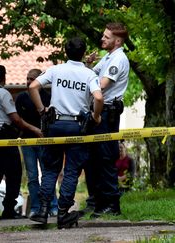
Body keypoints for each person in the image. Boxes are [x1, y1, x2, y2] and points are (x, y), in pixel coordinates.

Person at [29, 37, 103, 229]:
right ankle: (63, 214)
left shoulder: (56, 70)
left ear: (65, 51)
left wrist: (42, 110)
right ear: (84, 53)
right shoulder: (88, 74)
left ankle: (43, 211)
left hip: (54, 125)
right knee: (71, 171)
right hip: (77, 127)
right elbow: (98, 97)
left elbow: (32, 86)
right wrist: (95, 116)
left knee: (50, 169)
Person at [0, 65, 43, 221]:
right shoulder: (3, 93)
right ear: (4, 77)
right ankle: (8, 210)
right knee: (14, 174)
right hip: (5, 137)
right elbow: (15, 119)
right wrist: (34, 129)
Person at [83, 22, 130, 218]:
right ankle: (99, 202)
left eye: (106, 37)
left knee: (105, 157)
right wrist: (88, 65)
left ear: (117, 41)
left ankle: (111, 205)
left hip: (107, 113)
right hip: (100, 111)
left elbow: (100, 85)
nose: (102, 39)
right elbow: (90, 74)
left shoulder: (118, 59)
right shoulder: (108, 57)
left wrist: (87, 80)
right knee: (95, 158)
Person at [15, 68, 58, 217]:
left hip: (44, 141)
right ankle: (35, 208)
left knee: (48, 174)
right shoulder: (21, 98)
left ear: (40, 80)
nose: (28, 81)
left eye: (32, 79)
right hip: (27, 141)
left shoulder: (49, 97)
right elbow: (18, 120)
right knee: (32, 176)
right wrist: (34, 130)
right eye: (27, 78)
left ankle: (53, 206)